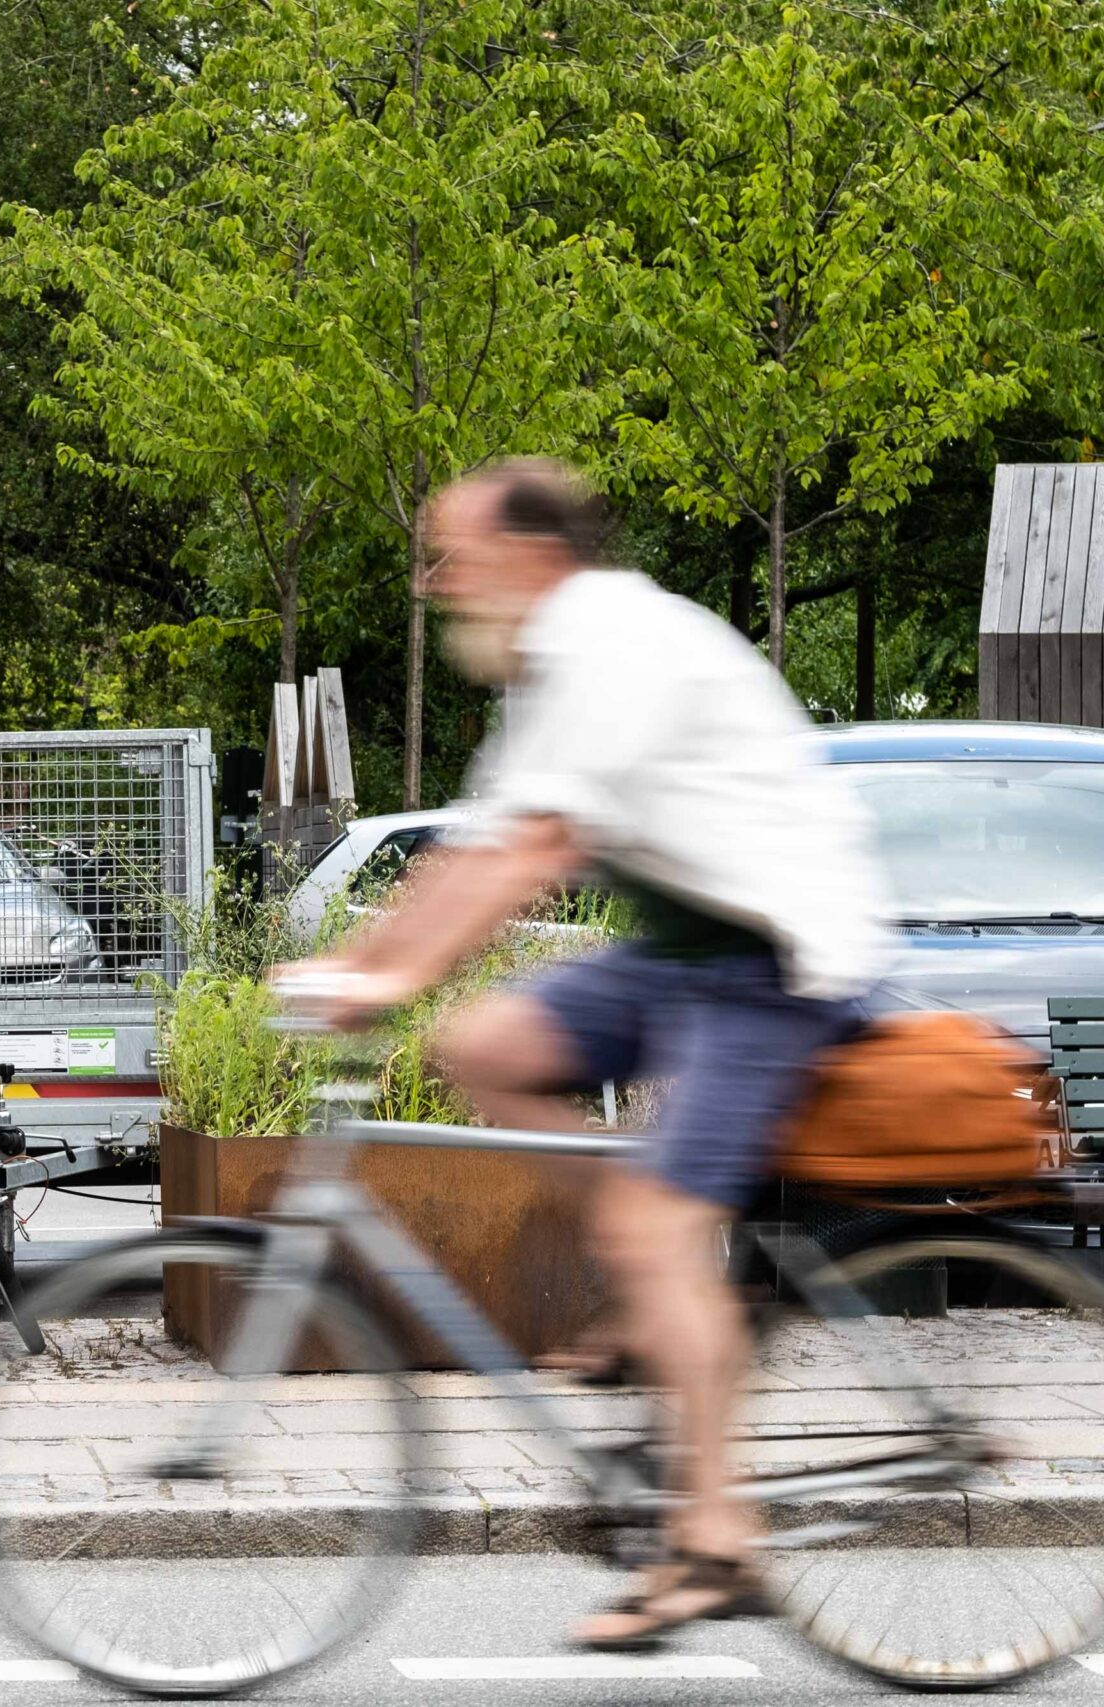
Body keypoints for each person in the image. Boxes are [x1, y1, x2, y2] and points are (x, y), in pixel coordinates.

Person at [278, 459, 891, 1650]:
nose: (433, 582)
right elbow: (472, 855)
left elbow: (534, 856)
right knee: (482, 1047)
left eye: (452, 556)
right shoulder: (541, 672)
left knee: (654, 1232)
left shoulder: (612, 643)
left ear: (531, 555)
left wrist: (386, 981)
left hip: (772, 954)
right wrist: (372, 964)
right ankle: (653, 1277)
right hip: (684, 947)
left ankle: (716, 1542)